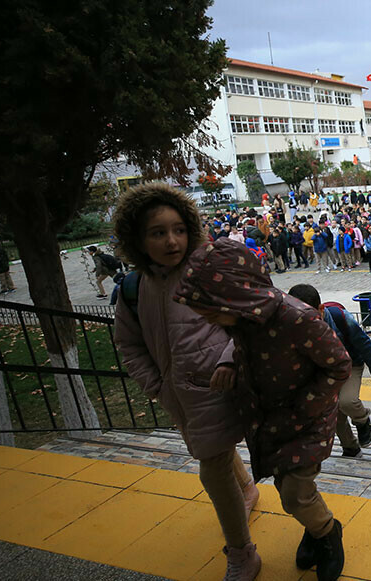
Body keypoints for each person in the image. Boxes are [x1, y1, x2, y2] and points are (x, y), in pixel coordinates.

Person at [112, 185, 261, 581]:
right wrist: (156, 386)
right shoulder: (133, 287)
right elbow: (128, 343)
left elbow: (251, 318)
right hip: (176, 396)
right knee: (214, 449)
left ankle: (242, 553)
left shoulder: (210, 268)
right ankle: (246, 490)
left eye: (178, 229)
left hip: (221, 387)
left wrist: (230, 359)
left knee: (211, 469)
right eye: (157, 232)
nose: (171, 240)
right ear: (138, 239)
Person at [286, 284, 371, 458]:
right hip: (324, 371)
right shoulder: (294, 327)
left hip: (350, 364)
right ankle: (350, 447)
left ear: (321, 309)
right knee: (334, 414)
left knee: (347, 402)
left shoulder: (341, 318)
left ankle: (362, 420)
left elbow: (365, 345)